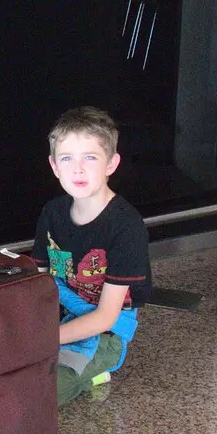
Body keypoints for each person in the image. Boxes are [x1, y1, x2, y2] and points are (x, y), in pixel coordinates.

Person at [32, 107, 153, 404]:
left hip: (105, 332)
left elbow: (105, 317)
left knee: (39, 395)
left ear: (111, 164)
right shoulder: (52, 214)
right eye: (67, 158)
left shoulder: (126, 226)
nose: (78, 169)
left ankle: (99, 369)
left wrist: (40, 341)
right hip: (60, 318)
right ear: (54, 166)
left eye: (90, 157)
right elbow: (39, 284)